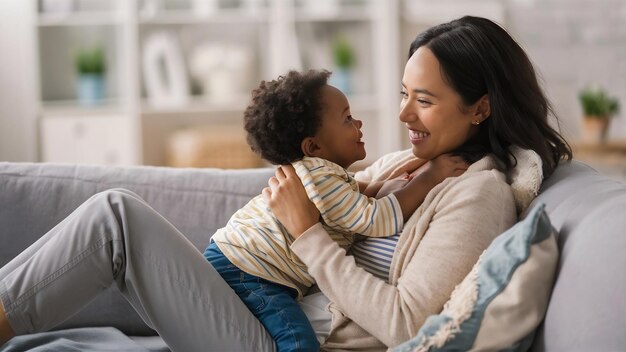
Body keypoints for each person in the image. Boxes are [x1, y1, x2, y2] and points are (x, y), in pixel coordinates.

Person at [0, 15, 571, 351]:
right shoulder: (409, 163)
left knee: (115, 221)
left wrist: (306, 234)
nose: (402, 115)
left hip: (286, 336)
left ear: (480, 109)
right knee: (114, 216)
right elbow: (337, 196)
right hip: (260, 300)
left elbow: (405, 323)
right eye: (403, 94)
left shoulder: (478, 191)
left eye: (423, 100)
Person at [205, 69, 467, 352]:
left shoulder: (319, 175)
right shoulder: (322, 178)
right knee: (297, 342)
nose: (358, 123)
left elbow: (350, 199)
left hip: (240, 261)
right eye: (347, 119)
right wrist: (431, 177)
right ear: (314, 146)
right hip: (250, 271)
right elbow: (376, 218)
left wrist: (386, 185)